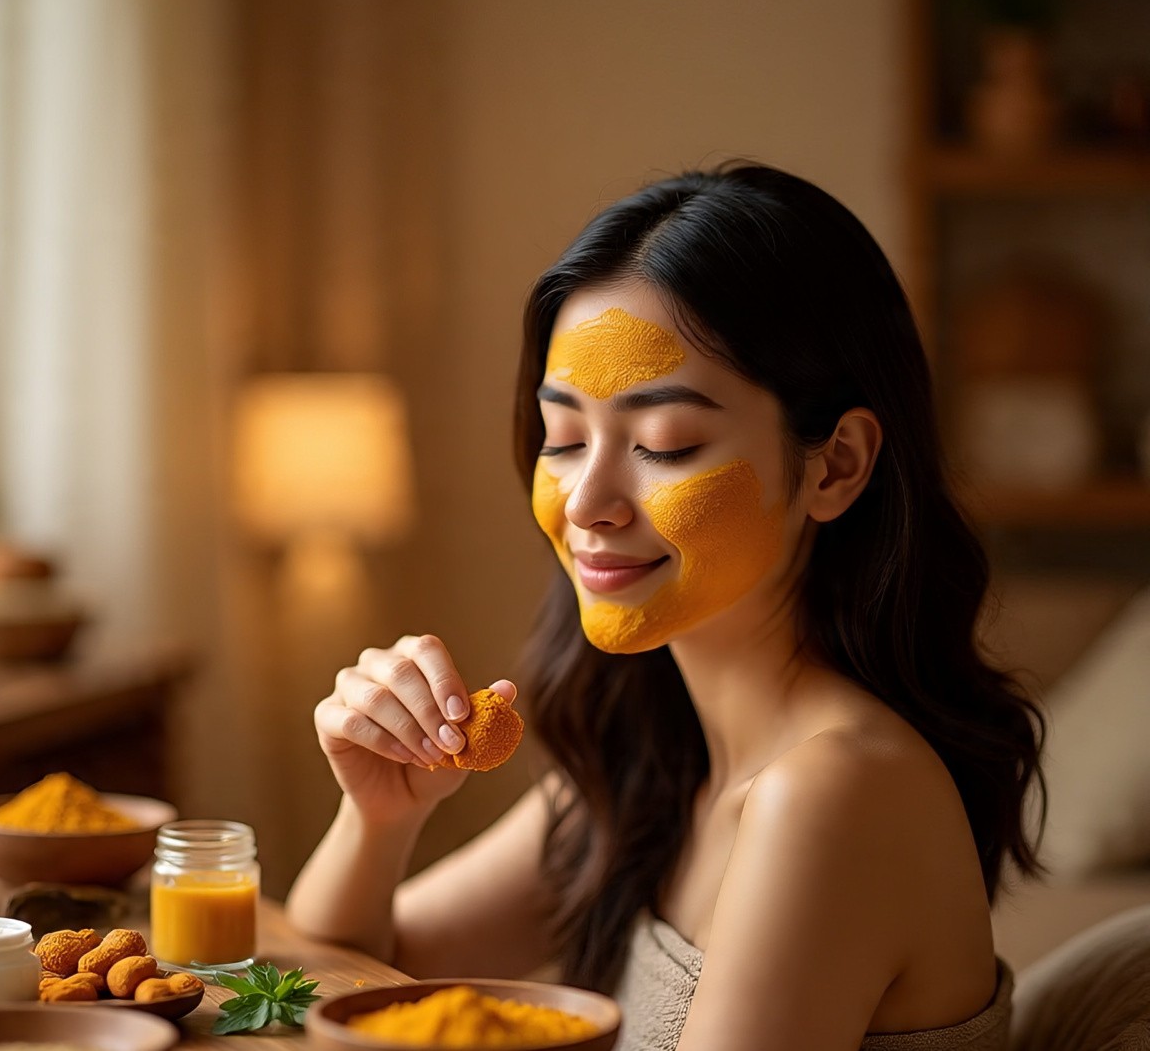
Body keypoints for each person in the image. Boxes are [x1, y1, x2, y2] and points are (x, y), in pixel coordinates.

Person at [285, 162, 1045, 1050]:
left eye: (664, 445)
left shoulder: (837, 794)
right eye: (563, 438)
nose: (585, 502)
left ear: (835, 466)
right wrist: (381, 816)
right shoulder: (653, 756)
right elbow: (312, 991)